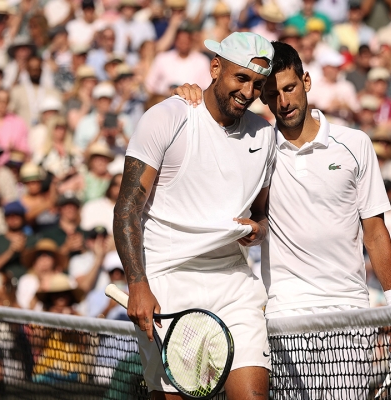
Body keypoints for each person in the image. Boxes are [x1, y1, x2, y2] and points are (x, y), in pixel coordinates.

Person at [175, 41, 391, 398]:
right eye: (272, 94)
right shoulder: (258, 145)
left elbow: (376, 234)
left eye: (289, 88)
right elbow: (211, 129)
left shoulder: (356, 143)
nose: (283, 102)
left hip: (349, 312)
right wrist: (189, 96)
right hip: (285, 313)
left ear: (306, 81)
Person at [113, 32, 276, 399]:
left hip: (236, 286)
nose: (248, 92)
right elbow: (127, 209)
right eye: (242, 78)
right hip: (169, 285)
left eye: (258, 84)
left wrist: (258, 230)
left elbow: (263, 216)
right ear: (215, 67)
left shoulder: (265, 136)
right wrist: (138, 284)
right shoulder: (167, 118)